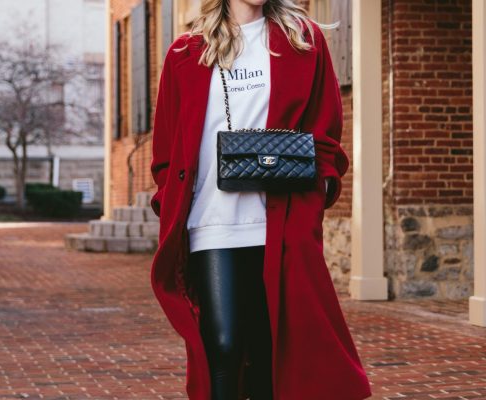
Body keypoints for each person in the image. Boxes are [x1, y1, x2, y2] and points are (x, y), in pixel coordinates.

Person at [149, 0, 373, 399]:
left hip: (281, 221)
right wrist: (170, 200)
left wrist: (316, 195)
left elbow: (325, 132)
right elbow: (166, 146)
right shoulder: (185, 52)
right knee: (223, 345)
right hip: (212, 220)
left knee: (273, 352)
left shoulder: (303, 40)